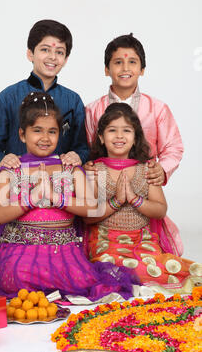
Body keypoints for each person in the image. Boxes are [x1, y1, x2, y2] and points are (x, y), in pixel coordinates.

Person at [0, 92, 140, 302]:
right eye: (37, 131)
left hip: (63, 252)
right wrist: (32, 198)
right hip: (21, 252)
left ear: (60, 135)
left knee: (78, 280)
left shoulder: (69, 167)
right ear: (22, 134)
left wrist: (58, 198)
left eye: (52, 131)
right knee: (16, 278)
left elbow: (91, 208)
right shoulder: (11, 169)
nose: (45, 138)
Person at [84, 103, 202, 295]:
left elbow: (160, 209)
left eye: (127, 131)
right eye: (112, 130)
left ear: (136, 137)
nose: (120, 136)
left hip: (142, 241)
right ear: (101, 137)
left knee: (166, 266)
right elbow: (88, 217)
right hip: (106, 242)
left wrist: (134, 199)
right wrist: (116, 201)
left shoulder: (147, 170)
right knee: (113, 268)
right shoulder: (94, 171)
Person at [84, 33, 184, 255]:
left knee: (146, 254)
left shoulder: (157, 108)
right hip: (105, 189)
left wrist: (161, 169)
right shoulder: (92, 110)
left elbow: (173, 147)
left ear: (142, 69)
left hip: (144, 185)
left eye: (132, 62)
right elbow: (88, 147)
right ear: (106, 69)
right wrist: (88, 166)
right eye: (117, 62)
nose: (125, 68)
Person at [0, 19, 89, 177]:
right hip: (16, 183)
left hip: (60, 186)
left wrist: (78, 156)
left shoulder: (73, 101)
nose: (52, 57)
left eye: (59, 52)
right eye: (45, 50)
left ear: (66, 59)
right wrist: (1, 160)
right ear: (30, 53)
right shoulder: (8, 97)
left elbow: (82, 146)